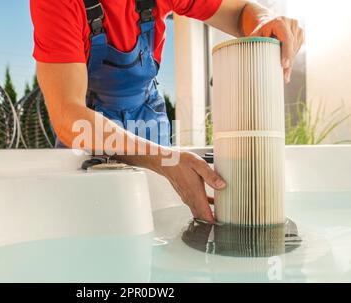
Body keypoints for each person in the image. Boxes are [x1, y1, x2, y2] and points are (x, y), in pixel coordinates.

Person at [30, 0, 304, 222]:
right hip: (90, 133)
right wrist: (165, 160)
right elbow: (69, 117)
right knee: (91, 225)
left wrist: (265, 19)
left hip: (148, 121)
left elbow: (239, 12)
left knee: (160, 220)